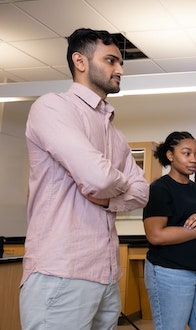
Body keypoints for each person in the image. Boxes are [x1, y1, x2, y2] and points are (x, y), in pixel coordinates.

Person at [20, 28, 150, 329]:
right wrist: (110, 182)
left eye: (120, 63)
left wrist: (108, 197)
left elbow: (141, 192)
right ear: (80, 61)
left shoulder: (115, 135)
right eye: (111, 60)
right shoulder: (52, 107)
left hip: (105, 276)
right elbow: (97, 176)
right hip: (61, 272)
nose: (120, 69)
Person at [143, 131, 196, 330]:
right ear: (170, 156)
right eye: (187, 153)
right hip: (170, 273)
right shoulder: (160, 189)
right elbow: (156, 235)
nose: (194, 159)